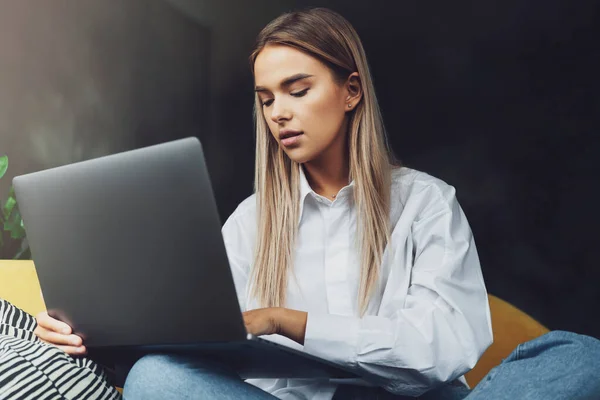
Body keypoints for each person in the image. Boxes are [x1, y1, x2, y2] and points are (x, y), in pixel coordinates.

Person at [33, 7, 600, 400]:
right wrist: (96, 338)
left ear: (350, 91)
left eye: (298, 90)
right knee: (158, 377)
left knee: (580, 356)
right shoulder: (251, 221)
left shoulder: (426, 203)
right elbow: (192, 337)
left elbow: (443, 348)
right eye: (266, 99)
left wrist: (290, 321)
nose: (278, 112)